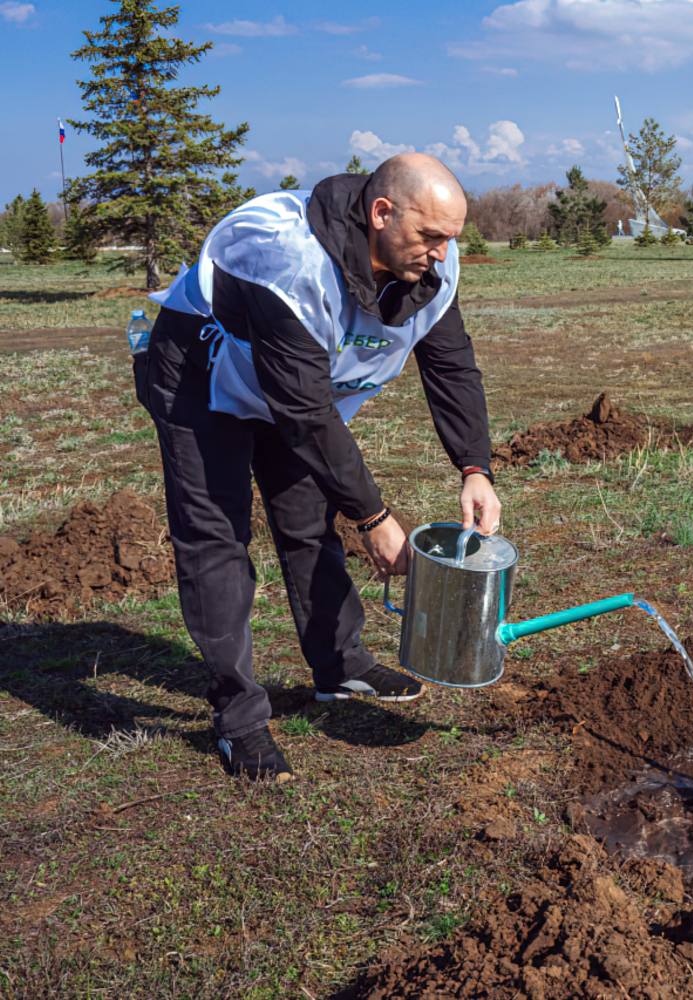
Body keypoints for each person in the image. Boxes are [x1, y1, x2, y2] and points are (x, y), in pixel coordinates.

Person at [136, 153, 501, 782]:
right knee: (217, 537)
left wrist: (475, 467)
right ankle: (240, 719)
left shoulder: (433, 259)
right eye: (431, 237)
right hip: (201, 375)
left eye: (451, 239)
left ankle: (340, 665)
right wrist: (376, 518)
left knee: (307, 518)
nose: (442, 253)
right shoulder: (285, 259)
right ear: (381, 213)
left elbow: (450, 364)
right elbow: (303, 413)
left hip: (298, 384)